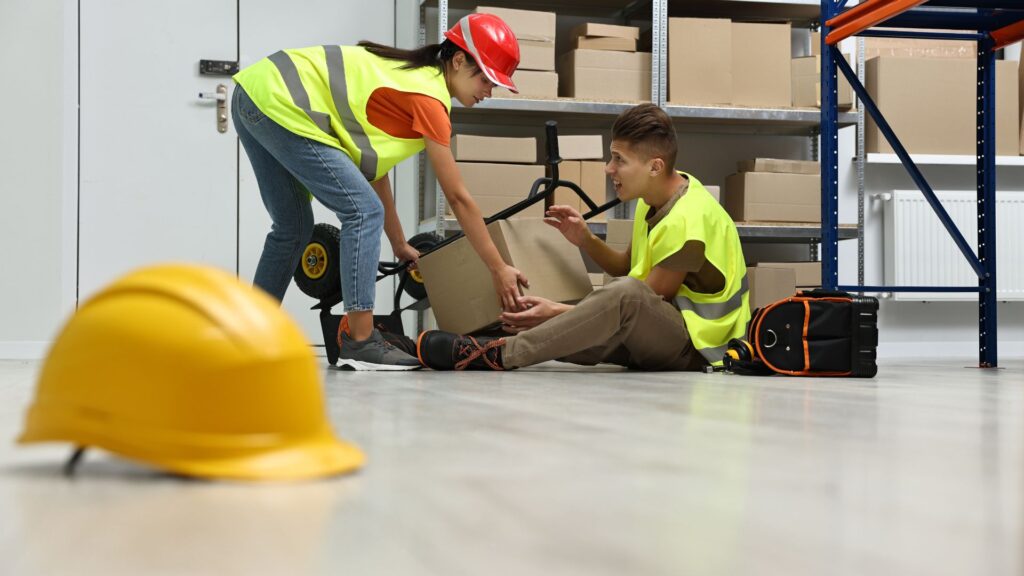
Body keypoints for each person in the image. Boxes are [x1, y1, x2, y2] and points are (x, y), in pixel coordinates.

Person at [231, 14, 528, 371]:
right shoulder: (429, 98)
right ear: (459, 59)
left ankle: (247, 335)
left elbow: (375, 174)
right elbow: (458, 197)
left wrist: (400, 244)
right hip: (279, 102)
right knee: (361, 211)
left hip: (252, 94)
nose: (488, 91)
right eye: (485, 78)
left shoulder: (412, 78)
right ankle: (360, 342)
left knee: (293, 226)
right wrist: (498, 268)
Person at [417, 104, 751, 372]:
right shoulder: (653, 199)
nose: (608, 168)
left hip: (698, 349)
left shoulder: (689, 221)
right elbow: (625, 268)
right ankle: (465, 344)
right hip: (656, 330)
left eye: (619, 160)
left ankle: (501, 356)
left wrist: (557, 313)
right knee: (555, 319)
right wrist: (584, 238)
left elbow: (639, 299)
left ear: (654, 166)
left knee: (595, 308)